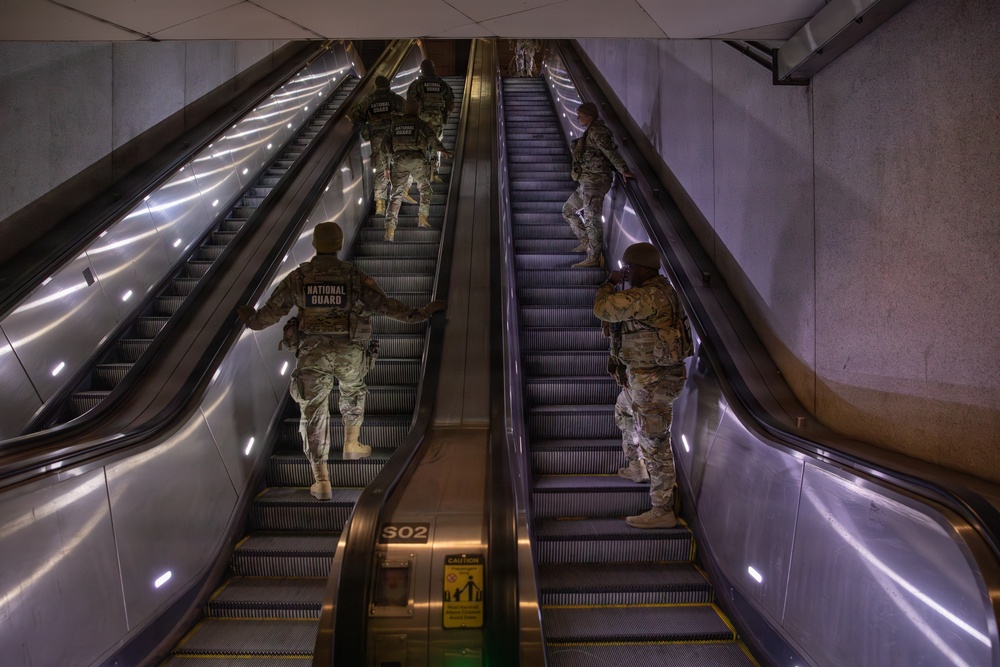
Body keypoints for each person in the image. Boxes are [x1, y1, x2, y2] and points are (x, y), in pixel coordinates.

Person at [236, 222, 446, 500]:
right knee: (353, 390)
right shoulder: (353, 276)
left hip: (312, 352)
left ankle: (321, 480)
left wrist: (250, 318)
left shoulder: (300, 277)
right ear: (338, 245)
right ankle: (351, 444)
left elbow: (270, 314)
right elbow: (385, 305)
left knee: (313, 410)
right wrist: (421, 313)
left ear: (314, 244)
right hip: (349, 351)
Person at [594, 242, 689, 529]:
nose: (625, 273)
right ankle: (637, 467)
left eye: (628, 267)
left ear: (643, 268)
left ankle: (662, 509)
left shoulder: (647, 296)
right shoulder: (663, 291)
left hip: (653, 383)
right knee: (623, 412)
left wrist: (609, 284)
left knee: (655, 443)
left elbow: (604, 309)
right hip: (645, 379)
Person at [563, 101, 634, 268]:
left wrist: (623, 169)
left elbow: (610, 151)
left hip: (595, 182)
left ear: (589, 115)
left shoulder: (597, 132)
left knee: (592, 219)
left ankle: (594, 256)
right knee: (567, 210)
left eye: (580, 114)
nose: (578, 117)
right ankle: (586, 240)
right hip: (585, 182)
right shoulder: (590, 131)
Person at [380, 97, 452, 242]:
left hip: (398, 161)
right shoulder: (421, 124)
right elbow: (433, 140)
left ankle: (390, 231)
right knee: (424, 189)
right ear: (418, 111)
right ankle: (422, 218)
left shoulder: (395, 125)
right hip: (418, 160)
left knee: (395, 196)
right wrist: (443, 150)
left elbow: (383, 147)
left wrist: (386, 167)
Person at [349, 75, 405, 215]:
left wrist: (366, 130)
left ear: (376, 86)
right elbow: (408, 113)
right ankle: (397, 202)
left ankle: (380, 205)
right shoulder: (396, 99)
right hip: (395, 137)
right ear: (388, 85)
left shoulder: (368, 100)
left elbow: (355, 115)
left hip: (377, 139)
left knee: (380, 169)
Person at [406, 59, 455, 183]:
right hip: (437, 119)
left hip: (421, 120)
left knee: (419, 146)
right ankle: (434, 173)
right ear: (433, 69)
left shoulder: (416, 84)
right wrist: (445, 114)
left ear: (422, 70)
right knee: (436, 145)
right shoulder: (442, 84)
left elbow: (411, 101)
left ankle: (420, 175)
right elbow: (450, 102)